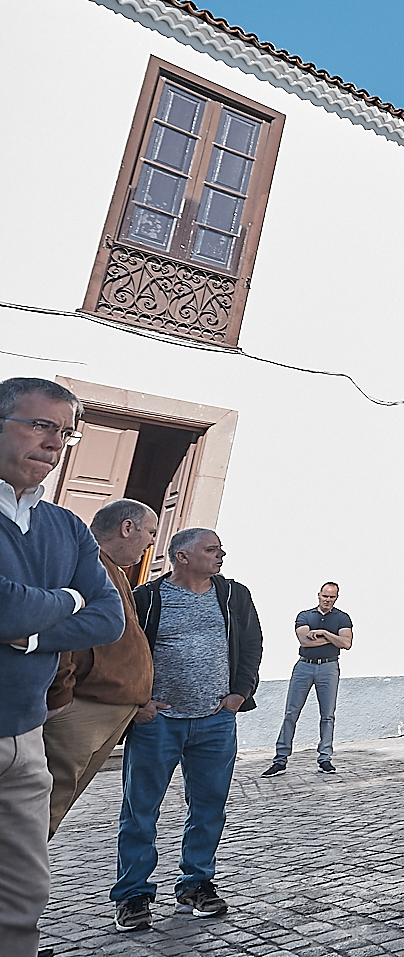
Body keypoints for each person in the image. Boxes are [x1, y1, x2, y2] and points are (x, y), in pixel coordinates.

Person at [0, 378, 125, 957]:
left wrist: (26, 635)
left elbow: (109, 620)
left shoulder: (66, 526)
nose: (55, 442)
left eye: (66, 432)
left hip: (26, 735)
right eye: (40, 425)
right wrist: (67, 600)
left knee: (22, 898)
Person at [113, 527, 262, 932]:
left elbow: (251, 645)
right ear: (182, 557)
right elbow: (123, 650)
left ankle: (196, 884)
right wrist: (138, 702)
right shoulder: (147, 598)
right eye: (212, 549)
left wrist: (239, 693)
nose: (221, 555)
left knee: (209, 809)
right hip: (157, 724)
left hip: (215, 722)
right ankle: (132, 895)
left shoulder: (233, 596)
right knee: (140, 811)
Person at [43, 498, 157, 836]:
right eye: (149, 532)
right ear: (127, 528)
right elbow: (61, 627)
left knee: (54, 806)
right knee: (41, 803)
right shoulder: (84, 561)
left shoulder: (113, 570)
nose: (152, 541)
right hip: (81, 706)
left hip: (108, 707)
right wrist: (60, 694)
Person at [263, 582, 353, 776]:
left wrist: (324, 633)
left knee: (328, 715)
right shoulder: (305, 616)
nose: (328, 600)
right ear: (318, 595)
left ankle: (325, 758)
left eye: (332, 597)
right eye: (325, 596)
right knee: (291, 712)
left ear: (336, 598)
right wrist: (333, 638)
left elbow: (346, 643)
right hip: (304, 665)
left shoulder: (342, 617)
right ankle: (280, 759)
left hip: (329, 667)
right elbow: (304, 641)